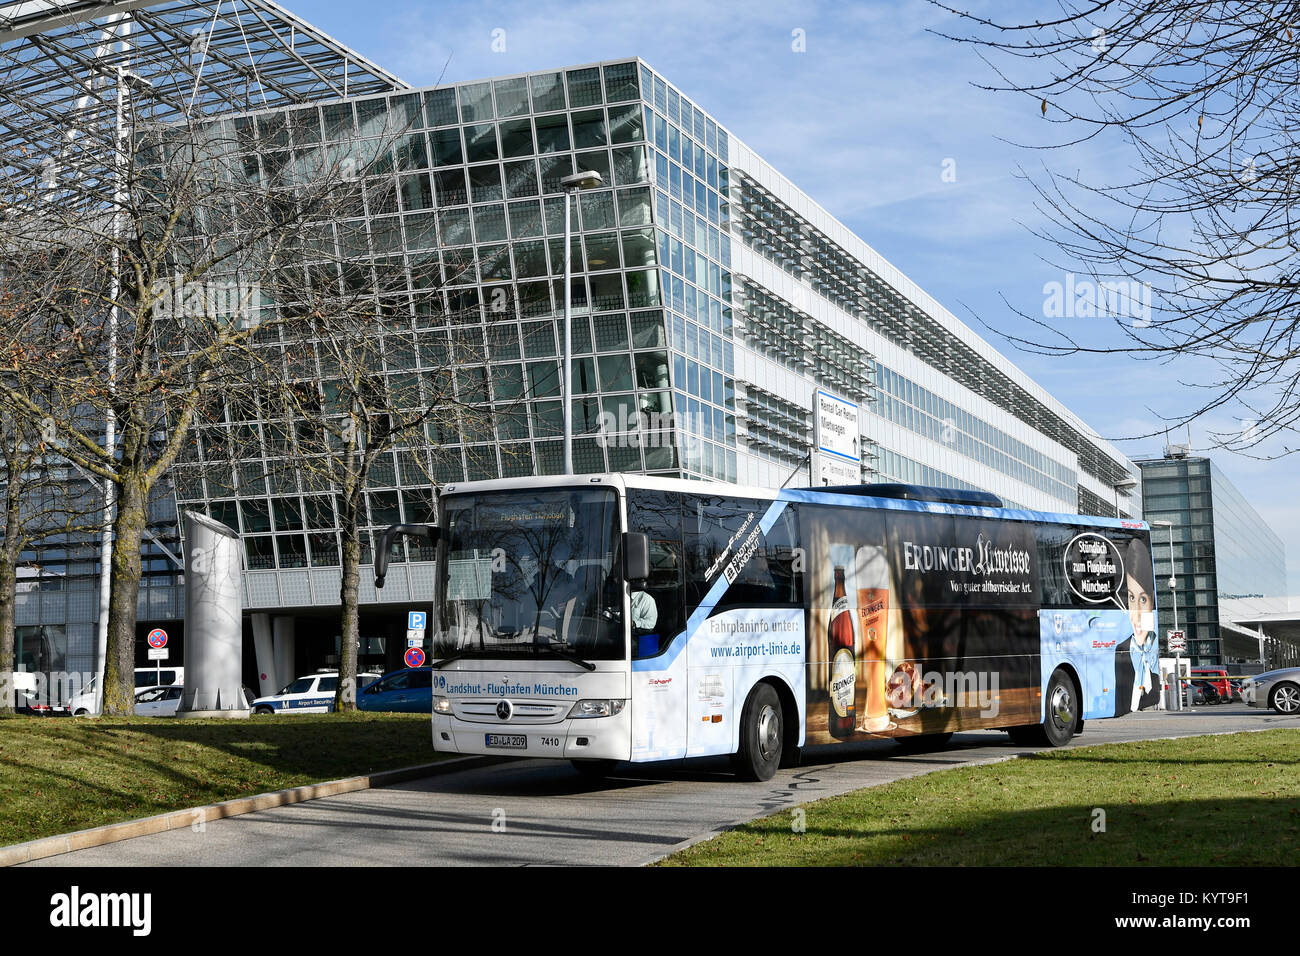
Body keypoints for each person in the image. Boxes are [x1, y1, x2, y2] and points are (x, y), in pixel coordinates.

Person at [1115, 537, 1161, 715]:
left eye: (1143, 599)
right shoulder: (1121, 650)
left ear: (1152, 600)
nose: (1137, 612)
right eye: (1131, 598)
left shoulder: (1153, 653)